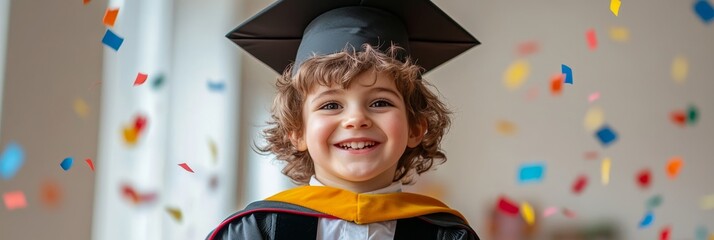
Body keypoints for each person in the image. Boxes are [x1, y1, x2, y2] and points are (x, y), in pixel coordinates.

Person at [208, 0, 480, 239]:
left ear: (416, 127)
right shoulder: (255, 230)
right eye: (331, 105)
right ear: (297, 130)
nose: (356, 119)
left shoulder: (447, 235)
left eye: (380, 102)